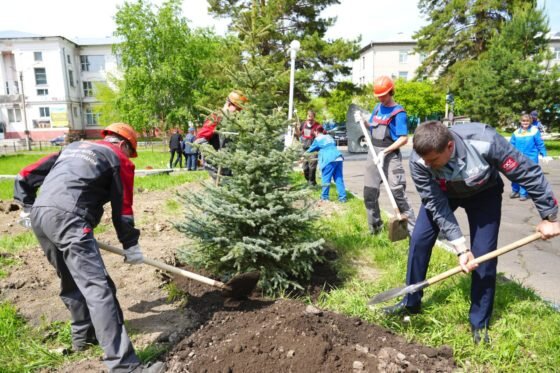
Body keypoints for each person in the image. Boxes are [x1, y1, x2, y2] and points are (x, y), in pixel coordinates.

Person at [383, 120, 560, 344]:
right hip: (444, 194)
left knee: (485, 255)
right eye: (425, 161)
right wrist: (460, 247)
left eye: (433, 161)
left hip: (484, 193)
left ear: (449, 146)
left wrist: (549, 216)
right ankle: (411, 302)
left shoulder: (486, 141)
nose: (428, 165)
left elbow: (527, 172)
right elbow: (435, 204)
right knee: (419, 239)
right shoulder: (420, 160)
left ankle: (479, 323)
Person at [14, 123, 165, 373]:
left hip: (41, 217)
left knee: (71, 279)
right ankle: (125, 367)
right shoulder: (120, 160)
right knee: (98, 289)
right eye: (130, 152)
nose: (129, 157)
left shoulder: (73, 147)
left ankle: (83, 339)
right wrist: (131, 245)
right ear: (125, 145)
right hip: (70, 219)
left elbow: (25, 175)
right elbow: (123, 210)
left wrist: (28, 207)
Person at [354, 75, 416, 235]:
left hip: (390, 155)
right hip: (373, 153)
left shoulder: (398, 112)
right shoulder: (377, 107)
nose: (381, 98)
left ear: (390, 92)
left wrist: (385, 152)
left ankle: (412, 232)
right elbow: (373, 128)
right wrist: (363, 121)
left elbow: (404, 138)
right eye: (378, 96)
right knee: (369, 192)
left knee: (397, 192)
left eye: (383, 95)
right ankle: (375, 228)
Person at [510, 114, 548, 201]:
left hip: (531, 157)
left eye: (527, 121)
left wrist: (544, 154)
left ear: (530, 121)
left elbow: (540, 143)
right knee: (515, 174)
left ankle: (523, 193)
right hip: (517, 157)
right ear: (520, 121)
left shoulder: (534, 131)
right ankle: (515, 190)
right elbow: (511, 145)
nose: (525, 123)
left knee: (527, 176)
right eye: (523, 121)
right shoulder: (516, 133)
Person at [306, 126, 347, 202]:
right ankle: (343, 198)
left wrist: (302, 156)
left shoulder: (317, 139)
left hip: (329, 160)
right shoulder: (329, 136)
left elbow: (310, 150)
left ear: (316, 132)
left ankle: (324, 197)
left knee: (326, 179)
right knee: (338, 178)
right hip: (338, 157)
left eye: (314, 132)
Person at [297, 110, 321, 187]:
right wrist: (295, 127)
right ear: (307, 117)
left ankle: (312, 182)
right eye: (308, 117)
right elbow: (298, 134)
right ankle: (309, 181)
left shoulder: (318, 125)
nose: (310, 120)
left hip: (314, 149)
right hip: (305, 149)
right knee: (305, 167)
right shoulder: (303, 124)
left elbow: (321, 136)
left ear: (314, 117)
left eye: (311, 118)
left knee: (312, 167)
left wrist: (317, 136)